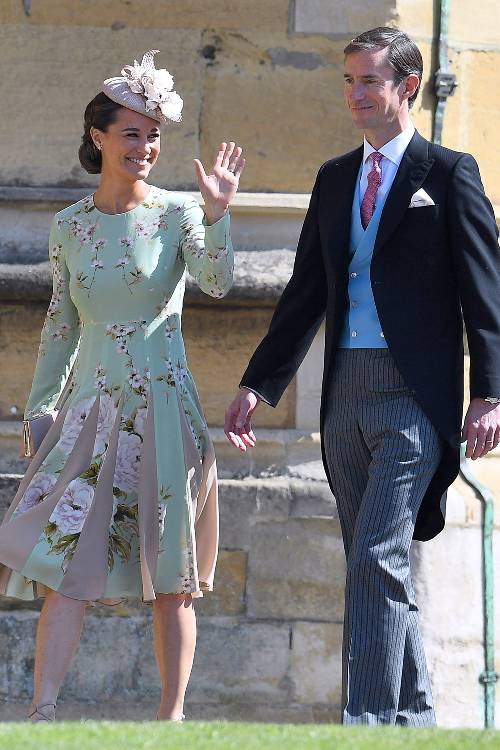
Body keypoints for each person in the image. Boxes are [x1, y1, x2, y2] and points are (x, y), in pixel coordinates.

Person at [225, 27, 500, 725]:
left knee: (379, 554)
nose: (355, 94)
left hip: (415, 396)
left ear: (407, 86)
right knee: (371, 562)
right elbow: (305, 293)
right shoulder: (333, 177)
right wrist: (260, 383)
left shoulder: (449, 175)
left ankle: (369, 722)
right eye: (348, 80)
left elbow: (485, 294)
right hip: (342, 392)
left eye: (369, 81)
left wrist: (489, 393)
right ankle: (412, 720)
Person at [0, 50, 245, 722]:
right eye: (131, 132)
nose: (145, 145)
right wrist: (41, 407)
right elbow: (60, 325)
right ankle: (42, 714)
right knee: (59, 564)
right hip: (89, 416)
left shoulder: (177, 213)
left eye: (154, 133)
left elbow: (219, 283)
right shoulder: (69, 226)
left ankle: (172, 723)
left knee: (173, 581)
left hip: (166, 415)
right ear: (98, 137)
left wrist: (218, 215)